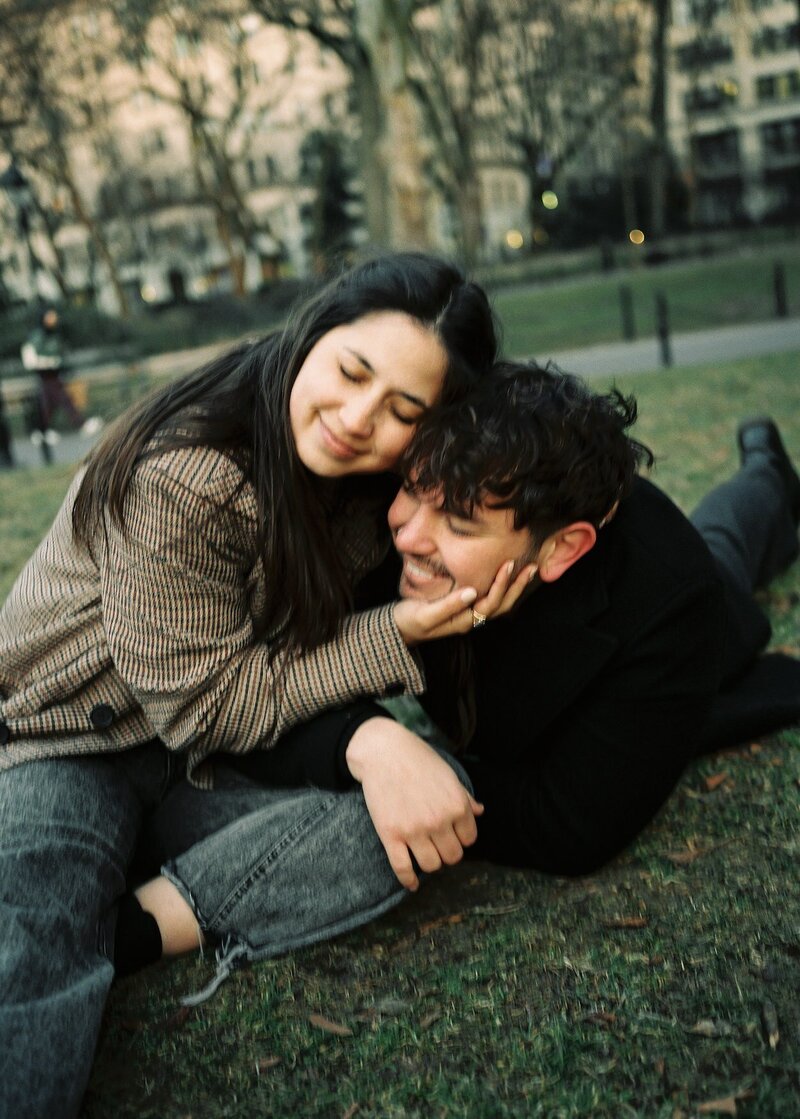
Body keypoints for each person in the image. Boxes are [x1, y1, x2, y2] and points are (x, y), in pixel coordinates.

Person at [0, 253, 513, 1119]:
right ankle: (72, 911)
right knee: (30, 927)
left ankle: (127, 920)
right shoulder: (188, 474)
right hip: (65, 745)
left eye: (402, 411)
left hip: (203, 764)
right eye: (352, 371)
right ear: (313, 331)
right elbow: (207, 704)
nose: (357, 418)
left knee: (407, 817)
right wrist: (392, 637)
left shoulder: (371, 490)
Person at [127, 361, 799, 988]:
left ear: (562, 548)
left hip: (689, 626)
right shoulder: (388, 513)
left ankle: (769, 477)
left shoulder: (667, 604)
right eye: (414, 493)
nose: (409, 535)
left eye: (457, 522)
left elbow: (571, 824)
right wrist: (365, 743)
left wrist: (440, 775)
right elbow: (280, 677)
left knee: (727, 556)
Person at [20, 306, 103, 458]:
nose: (54, 320)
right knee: (62, 399)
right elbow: (30, 356)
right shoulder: (37, 336)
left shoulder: (54, 335)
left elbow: (58, 352)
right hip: (45, 374)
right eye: (50, 317)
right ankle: (80, 424)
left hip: (54, 373)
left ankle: (41, 431)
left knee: (49, 403)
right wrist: (48, 362)